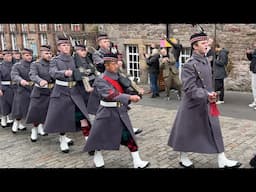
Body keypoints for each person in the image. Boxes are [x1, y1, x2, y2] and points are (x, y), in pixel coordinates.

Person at [167, 32, 242, 168]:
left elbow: (207, 83)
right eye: (203, 43)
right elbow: (189, 88)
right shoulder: (189, 65)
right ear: (195, 47)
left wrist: (211, 94)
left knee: (215, 129)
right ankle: (183, 156)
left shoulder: (206, 60)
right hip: (192, 105)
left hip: (207, 102)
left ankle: (222, 159)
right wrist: (206, 94)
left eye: (206, 42)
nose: (206, 44)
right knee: (187, 131)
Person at [84, 53, 150, 168]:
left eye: (117, 63)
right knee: (99, 137)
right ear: (107, 65)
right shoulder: (100, 80)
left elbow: (126, 89)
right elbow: (111, 94)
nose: (117, 65)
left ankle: (137, 161)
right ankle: (97, 156)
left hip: (120, 112)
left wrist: (137, 93)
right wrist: (130, 98)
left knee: (129, 136)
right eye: (114, 64)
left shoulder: (119, 76)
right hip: (106, 113)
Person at [44, 35, 91, 153]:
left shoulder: (74, 59)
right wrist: (64, 73)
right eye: (63, 45)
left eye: (68, 45)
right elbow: (52, 73)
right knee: (62, 118)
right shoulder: (55, 60)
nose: (66, 47)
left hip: (75, 91)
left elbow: (83, 69)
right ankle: (63, 140)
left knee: (82, 117)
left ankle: (89, 143)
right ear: (59, 47)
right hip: (61, 91)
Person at [25, 45, 53, 142]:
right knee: (36, 112)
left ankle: (42, 127)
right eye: (46, 53)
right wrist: (40, 81)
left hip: (52, 92)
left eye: (50, 53)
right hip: (39, 92)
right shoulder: (35, 64)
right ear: (41, 54)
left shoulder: (53, 63)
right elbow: (33, 75)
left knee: (49, 112)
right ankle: (34, 129)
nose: (49, 55)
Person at [11, 48, 34, 133]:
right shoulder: (17, 65)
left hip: (34, 88)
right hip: (22, 89)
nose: (29, 57)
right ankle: (16, 122)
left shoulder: (34, 64)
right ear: (22, 55)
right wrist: (21, 81)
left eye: (30, 55)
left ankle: (38, 127)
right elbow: (14, 75)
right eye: (27, 55)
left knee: (35, 109)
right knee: (19, 108)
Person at [0, 49, 15, 128]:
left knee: (13, 103)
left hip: (13, 86)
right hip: (4, 87)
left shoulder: (14, 65)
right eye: (8, 56)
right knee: (4, 104)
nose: (10, 57)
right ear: (3, 56)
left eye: (10, 55)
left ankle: (11, 118)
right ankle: (3, 117)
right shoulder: (1, 66)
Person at [246, 42, 256, 108]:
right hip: (254, 70)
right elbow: (251, 59)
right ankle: (255, 101)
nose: (254, 44)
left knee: (255, 87)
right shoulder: (255, 50)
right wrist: (248, 53)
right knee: (254, 87)